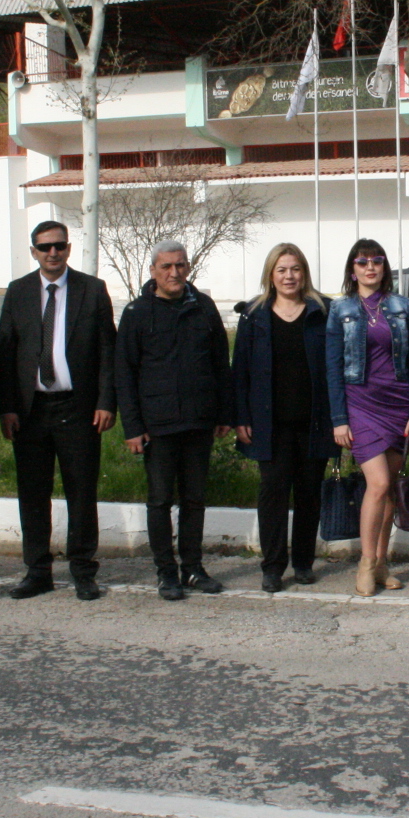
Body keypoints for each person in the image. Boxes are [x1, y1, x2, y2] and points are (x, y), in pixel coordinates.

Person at [0, 220, 116, 601]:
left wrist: (105, 401)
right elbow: (6, 352)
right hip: (31, 411)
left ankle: (83, 570)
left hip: (77, 408)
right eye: (45, 247)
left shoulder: (92, 290)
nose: (53, 253)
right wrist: (7, 408)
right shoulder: (17, 292)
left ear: (67, 248)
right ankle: (38, 571)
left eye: (59, 246)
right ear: (33, 251)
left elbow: (107, 352)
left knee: (81, 491)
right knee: (33, 492)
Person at [118, 240, 233, 601]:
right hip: (158, 423)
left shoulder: (203, 307)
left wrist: (224, 412)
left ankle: (193, 569)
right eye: (166, 266)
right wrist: (134, 427)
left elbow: (220, 364)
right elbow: (125, 373)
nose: (174, 273)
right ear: (153, 270)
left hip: (199, 421)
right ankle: (166, 573)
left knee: (195, 499)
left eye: (180, 265)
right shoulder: (137, 313)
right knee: (160, 501)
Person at [324, 237, 409, 597]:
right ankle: (366, 564)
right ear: (352, 270)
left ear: (384, 267)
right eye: (363, 261)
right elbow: (333, 367)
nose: (371, 267)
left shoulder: (401, 306)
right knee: (378, 484)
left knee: (391, 490)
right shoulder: (340, 311)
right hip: (360, 405)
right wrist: (339, 418)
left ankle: (382, 562)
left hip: (397, 404)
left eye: (377, 261)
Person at [232, 243, 334, 592]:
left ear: (304, 273)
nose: (289, 276)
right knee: (272, 494)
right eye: (282, 270)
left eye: (295, 269)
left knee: (309, 494)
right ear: (271, 275)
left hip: (314, 422)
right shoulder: (253, 315)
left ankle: (303, 563)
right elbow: (240, 370)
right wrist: (241, 416)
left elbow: (335, 368)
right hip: (268, 424)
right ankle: (273, 567)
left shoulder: (323, 311)